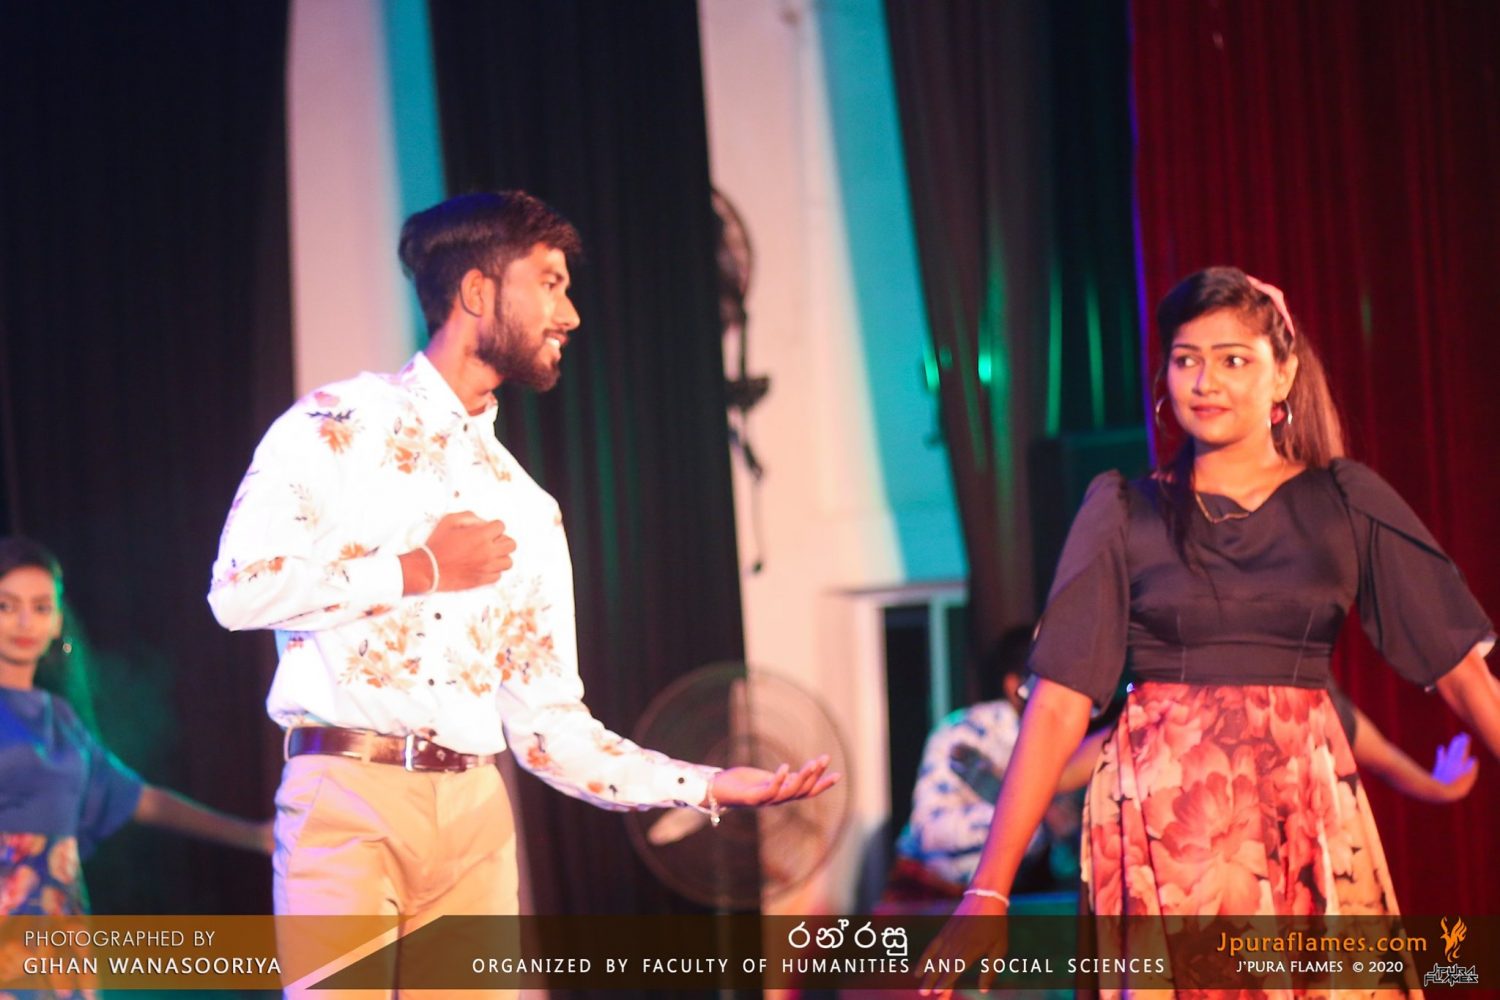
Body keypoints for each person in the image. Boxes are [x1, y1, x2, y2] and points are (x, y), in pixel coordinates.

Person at [207, 192, 836, 951]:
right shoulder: (335, 425)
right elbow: (239, 591)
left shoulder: (526, 506)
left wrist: (703, 785)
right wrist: (417, 568)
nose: (569, 315)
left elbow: (548, 729)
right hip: (348, 794)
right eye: (550, 284)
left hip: (475, 814)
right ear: (477, 292)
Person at [921, 267, 1499, 996]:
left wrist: (1429, 777)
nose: (1205, 381)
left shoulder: (1344, 502)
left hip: (1302, 815)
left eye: (1233, 359)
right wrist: (988, 891)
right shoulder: (1123, 511)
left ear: (1282, 375)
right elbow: (1060, 703)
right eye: (1187, 359)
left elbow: (1463, 674)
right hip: (1163, 829)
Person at [1, 536, 271, 919]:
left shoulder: (59, 719)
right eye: (6, 606)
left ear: (58, 621)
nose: (25, 622)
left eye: (41, 607)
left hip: (58, 917)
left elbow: (142, 799)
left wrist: (256, 836)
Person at [886, 627, 1083, 903]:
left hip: (1014, 897)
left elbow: (1063, 863)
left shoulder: (1067, 743)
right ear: (1014, 685)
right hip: (931, 893)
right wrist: (1025, 811)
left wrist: (1066, 836)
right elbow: (927, 831)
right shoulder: (965, 732)